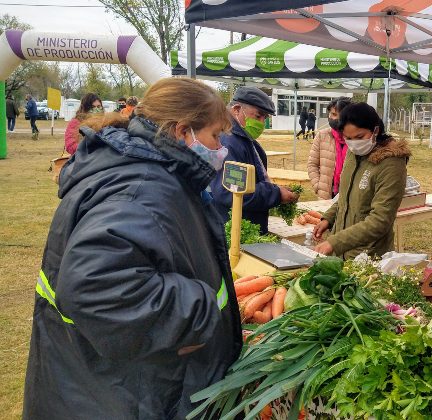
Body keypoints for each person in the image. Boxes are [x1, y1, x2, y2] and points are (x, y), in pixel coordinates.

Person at [23, 78, 242, 419]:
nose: (220, 148)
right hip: (125, 396)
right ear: (182, 131)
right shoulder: (142, 189)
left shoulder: (148, 172)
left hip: (107, 382)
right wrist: (198, 311)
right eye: (215, 136)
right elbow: (94, 285)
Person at [312, 102, 410, 259]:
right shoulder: (353, 154)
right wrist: (328, 219)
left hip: (367, 255)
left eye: (360, 137)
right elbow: (345, 197)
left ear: (375, 130)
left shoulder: (391, 163)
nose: (354, 143)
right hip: (340, 252)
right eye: (348, 138)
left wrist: (334, 242)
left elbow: (380, 219)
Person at [211, 86, 299, 234]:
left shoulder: (244, 140)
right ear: (237, 109)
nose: (262, 123)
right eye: (258, 116)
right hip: (235, 230)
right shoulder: (228, 143)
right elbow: (233, 192)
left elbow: (251, 181)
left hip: (246, 224)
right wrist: (276, 194)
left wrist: (275, 189)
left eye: (265, 118)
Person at [307, 97, 352, 199]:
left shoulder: (356, 139)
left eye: (335, 114)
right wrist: (318, 186)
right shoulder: (322, 135)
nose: (330, 117)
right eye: (330, 114)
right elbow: (312, 164)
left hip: (350, 197)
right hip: (326, 196)